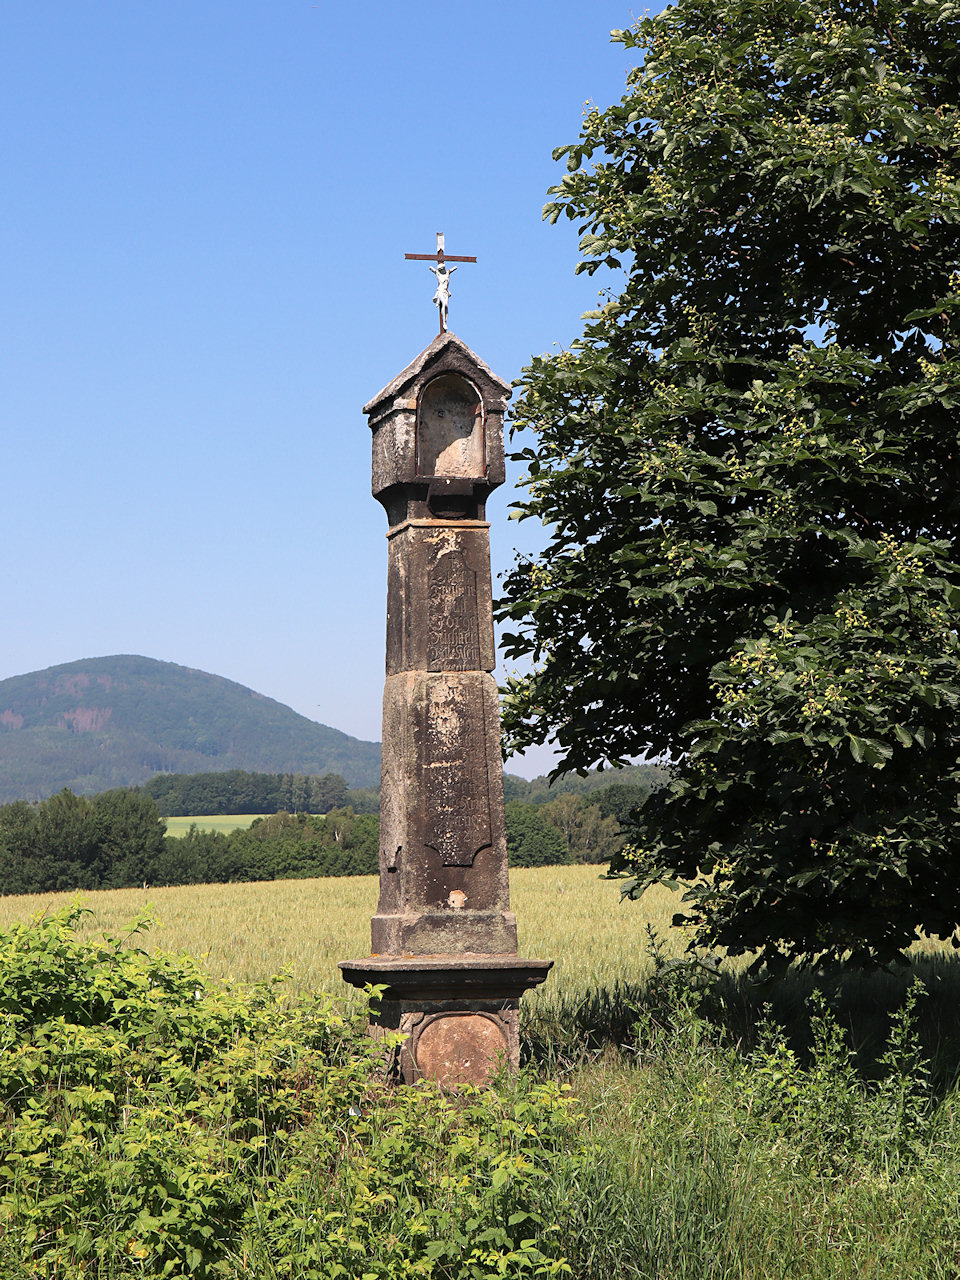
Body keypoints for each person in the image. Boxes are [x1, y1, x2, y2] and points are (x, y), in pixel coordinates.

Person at [429, 262, 457, 331]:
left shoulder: (447, 273)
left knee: (446, 306)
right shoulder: (438, 274)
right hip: (440, 291)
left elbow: (452, 269)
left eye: (443, 268)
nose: (442, 270)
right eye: (441, 269)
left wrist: (455, 267)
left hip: (446, 292)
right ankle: (444, 322)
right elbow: (433, 270)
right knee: (444, 304)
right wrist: (431, 268)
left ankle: (445, 321)